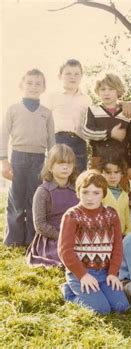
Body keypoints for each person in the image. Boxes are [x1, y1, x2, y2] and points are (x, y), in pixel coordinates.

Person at [58, 170, 130, 314]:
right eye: (85, 192)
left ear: (103, 194)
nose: (90, 198)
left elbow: (117, 247)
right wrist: (82, 275)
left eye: (96, 193)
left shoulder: (111, 214)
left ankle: (99, 292)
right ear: (78, 192)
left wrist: (112, 273)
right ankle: (70, 293)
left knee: (122, 306)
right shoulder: (72, 215)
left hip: (105, 272)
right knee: (101, 310)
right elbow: (65, 251)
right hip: (81, 272)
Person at [1, 68, 55, 247]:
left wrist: (51, 163)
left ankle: (33, 239)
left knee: (35, 198)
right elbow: (3, 134)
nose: (33, 86)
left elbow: (51, 141)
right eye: (30, 83)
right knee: (16, 199)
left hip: (39, 159)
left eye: (38, 83)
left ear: (44, 87)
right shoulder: (13, 109)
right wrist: (3, 160)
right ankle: (14, 240)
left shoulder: (46, 113)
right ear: (22, 85)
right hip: (18, 157)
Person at [83, 73, 131, 189]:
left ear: (118, 91)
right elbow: (87, 132)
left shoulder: (127, 113)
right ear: (97, 91)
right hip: (98, 160)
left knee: (121, 193)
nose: (106, 93)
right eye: (102, 89)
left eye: (111, 89)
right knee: (97, 191)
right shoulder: (93, 110)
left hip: (121, 161)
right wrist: (110, 133)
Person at [27, 144, 79, 266]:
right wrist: (62, 236)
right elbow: (40, 225)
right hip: (52, 238)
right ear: (50, 167)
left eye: (69, 163)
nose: (65, 167)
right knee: (65, 257)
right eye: (61, 163)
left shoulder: (77, 189)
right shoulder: (43, 191)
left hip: (76, 236)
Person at [45, 59, 91, 172]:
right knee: (57, 177)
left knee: (79, 177)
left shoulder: (87, 99)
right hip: (58, 141)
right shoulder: (53, 96)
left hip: (79, 142)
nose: (73, 77)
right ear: (60, 76)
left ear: (81, 76)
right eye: (68, 73)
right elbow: (44, 122)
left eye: (76, 74)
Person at [100, 155, 131, 235]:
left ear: (122, 174)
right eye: (108, 172)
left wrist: (128, 234)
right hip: (103, 235)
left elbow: (127, 218)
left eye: (116, 172)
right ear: (102, 173)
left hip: (121, 236)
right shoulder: (100, 192)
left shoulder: (125, 195)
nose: (112, 176)